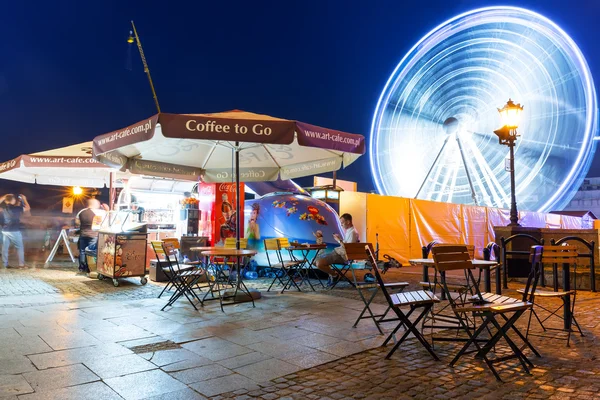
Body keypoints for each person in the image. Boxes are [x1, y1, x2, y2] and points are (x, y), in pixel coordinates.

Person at [316, 213, 359, 286]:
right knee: (315, 261)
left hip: (341, 256)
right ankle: (332, 274)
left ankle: (334, 275)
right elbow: (346, 244)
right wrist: (339, 240)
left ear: (348, 222)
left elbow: (347, 248)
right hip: (337, 252)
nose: (341, 225)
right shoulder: (349, 231)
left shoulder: (353, 233)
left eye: (342, 223)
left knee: (319, 263)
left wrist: (339, 240)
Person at [0, 194, 30, 268]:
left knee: (5, 248)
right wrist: (25, 199)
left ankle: (5, 264)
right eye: (14, 199)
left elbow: (12, 206)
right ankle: (21, 265)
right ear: (12, 200)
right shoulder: (17, 208)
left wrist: (4, 197)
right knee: (19, 247)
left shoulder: (3, 208)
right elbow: (28, 208)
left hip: (5, 231)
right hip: (14, 231)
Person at [75, 198, 102, 274]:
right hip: (94, 235)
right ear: (94, 204)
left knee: (82, 251)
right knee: (91, 252)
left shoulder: (81, 211)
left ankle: (82, 267)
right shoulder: (98, 212)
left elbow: (77, 222)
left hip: (83, 234)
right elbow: (100, 223)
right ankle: (90, 268)